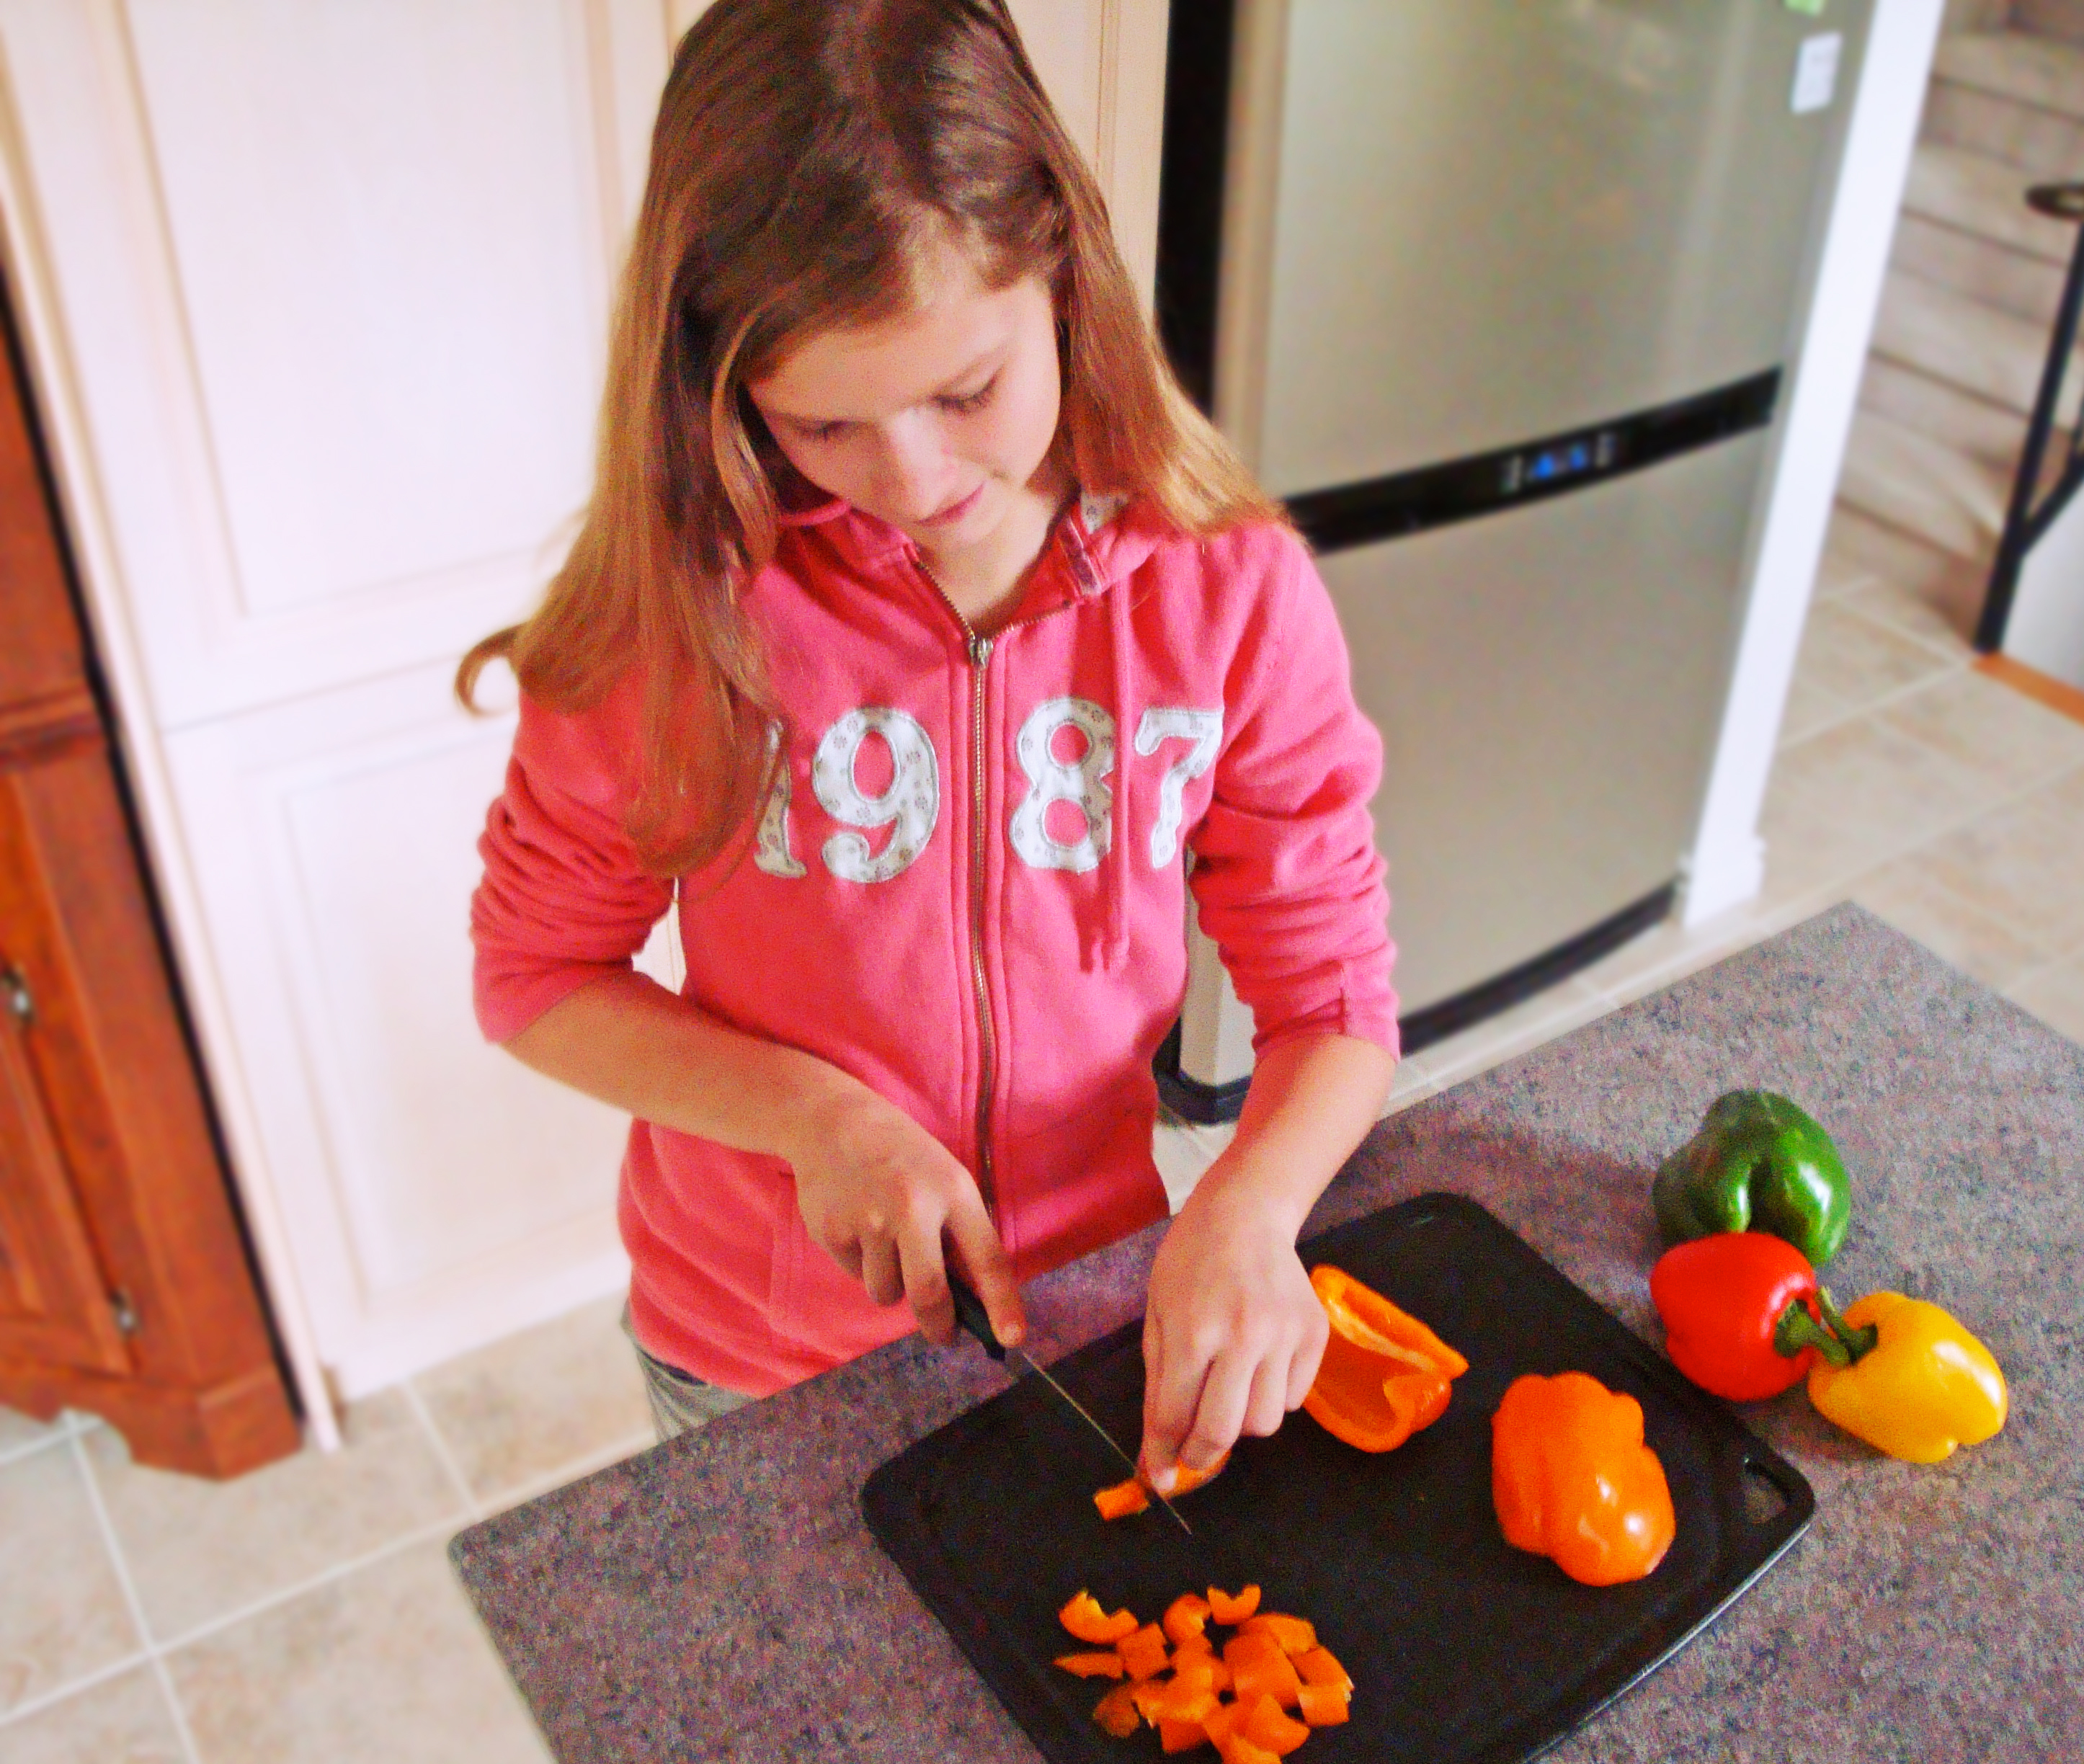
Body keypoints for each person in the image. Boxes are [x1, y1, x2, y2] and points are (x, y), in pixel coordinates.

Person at [461, 0, 1398, 1494]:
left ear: (1065, 274)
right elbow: (535, 979)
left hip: (1087, 1307)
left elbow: (1335, 993)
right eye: (824, 428)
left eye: (967, 390)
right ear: (720, 388)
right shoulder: (677, 617)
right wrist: (815, 1118)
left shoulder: (1225, 591)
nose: (917, 478)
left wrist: (1248, 1206)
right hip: (751, 1360)